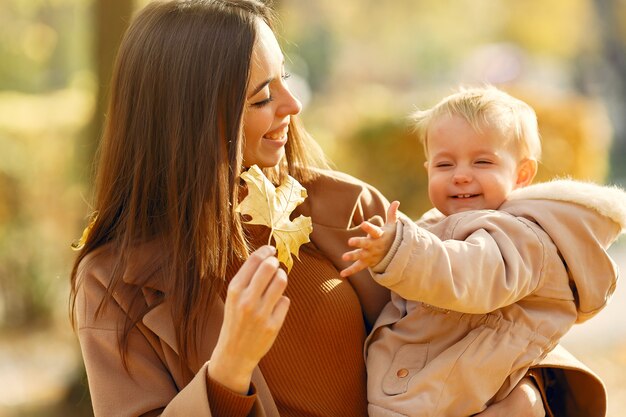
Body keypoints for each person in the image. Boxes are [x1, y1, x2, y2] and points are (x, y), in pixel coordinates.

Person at [69, 1, 608, 416]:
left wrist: (529, 397)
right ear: (189, 117)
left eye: (286, 77)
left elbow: (469, 320)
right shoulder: (113, 283)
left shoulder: (345, 206)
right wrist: (228, 368)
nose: (292, 104)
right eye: (261, 96)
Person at [340, 86, 626, 417]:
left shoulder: (521, 235)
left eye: (482, 161)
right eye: (445, 164)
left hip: (458, 393)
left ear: (521, 175)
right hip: (433, 389)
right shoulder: (437, 224)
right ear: (428, 169)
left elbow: (469, 275)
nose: (461, 175)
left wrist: (398, 252)